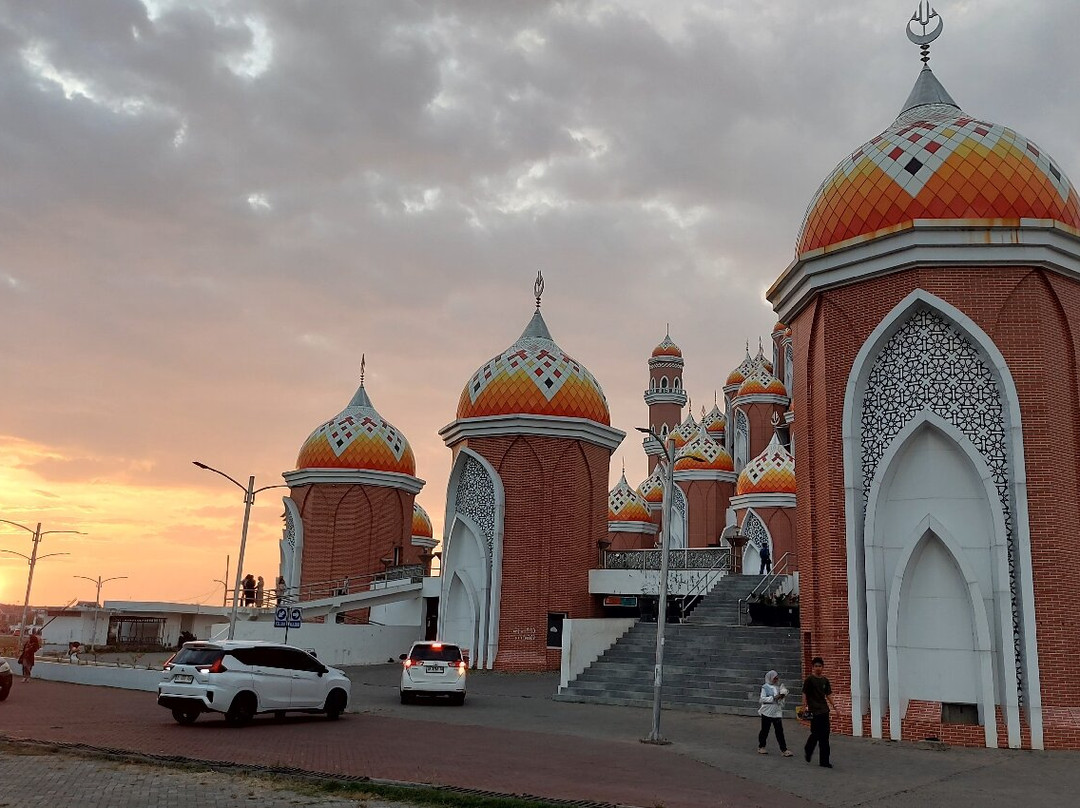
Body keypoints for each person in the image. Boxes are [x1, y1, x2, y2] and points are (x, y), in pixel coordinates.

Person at [802, 656, 839, 768]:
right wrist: (804, 706)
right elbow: (805, 693)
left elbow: (828, 694)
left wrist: (835, 707)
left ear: (823, 667)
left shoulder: (825, 681)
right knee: (815, 733)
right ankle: (808, 749)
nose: (818, 668)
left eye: (820, 666)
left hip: (824, 710)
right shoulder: (809, 680)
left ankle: (824, 761)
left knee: (825, 736)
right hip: (814, 710)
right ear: (813, 667)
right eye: (816, 666)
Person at [758, 670, 793, 755]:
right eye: (774, 678)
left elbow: (782, 698)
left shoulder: (779, 687)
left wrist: (782, 695)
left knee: (779, 731)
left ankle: (784, 749)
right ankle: (761, 746)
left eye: (777, 678)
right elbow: (762, 699)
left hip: (776, 711)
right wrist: (773, 698)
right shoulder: (765, 687)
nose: (776, 680)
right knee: (765, 730)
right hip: (767, 711)